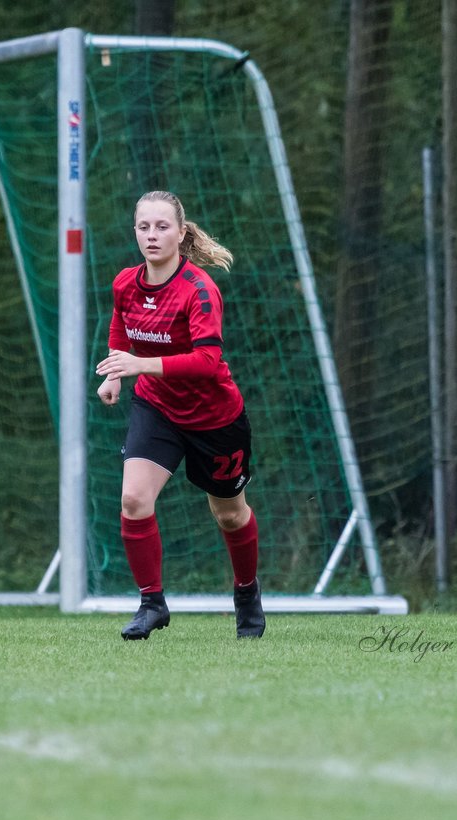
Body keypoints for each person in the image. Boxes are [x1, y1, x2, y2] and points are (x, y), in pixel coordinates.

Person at [95, 190, 264, 640]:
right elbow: (120, 323)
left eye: (162, 227)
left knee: (229, 515)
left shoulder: (199, 290)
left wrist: (138, 364)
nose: (152, 235)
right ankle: (152, 603)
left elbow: (208, 362)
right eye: (144, 227)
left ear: (181, 232)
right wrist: (115, 371)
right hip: (157, 408)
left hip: (215, 418)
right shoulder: (125, 283)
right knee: (133, 500)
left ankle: (246, 592)